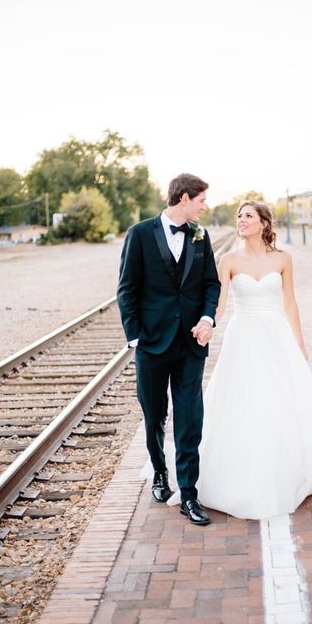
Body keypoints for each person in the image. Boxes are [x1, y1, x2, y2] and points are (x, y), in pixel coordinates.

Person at [165, 200, 312, 519]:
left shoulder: (283, 259)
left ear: (263, 223)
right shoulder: (228, 260)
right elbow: (218, 303)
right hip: (243, 336)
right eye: (239, 216)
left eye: (248, 216)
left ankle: (289, 464)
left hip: (276, 336)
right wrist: (206, 323)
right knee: (243, 400)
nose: (241, 220)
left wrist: (300, 343)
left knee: (283, 398)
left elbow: (291, 304)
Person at [117, 173, 221, 525]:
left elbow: (211, 284)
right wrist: (136, 337)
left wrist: (208, 318)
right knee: (154, 413)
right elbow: (127, 289)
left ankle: (188, 495)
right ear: (185, 198)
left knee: (190, 418)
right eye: (202, 200)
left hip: (191, 344)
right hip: (152, 344)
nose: (205, 206)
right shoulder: (140, 234)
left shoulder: (200, 237)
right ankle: (160, 472)